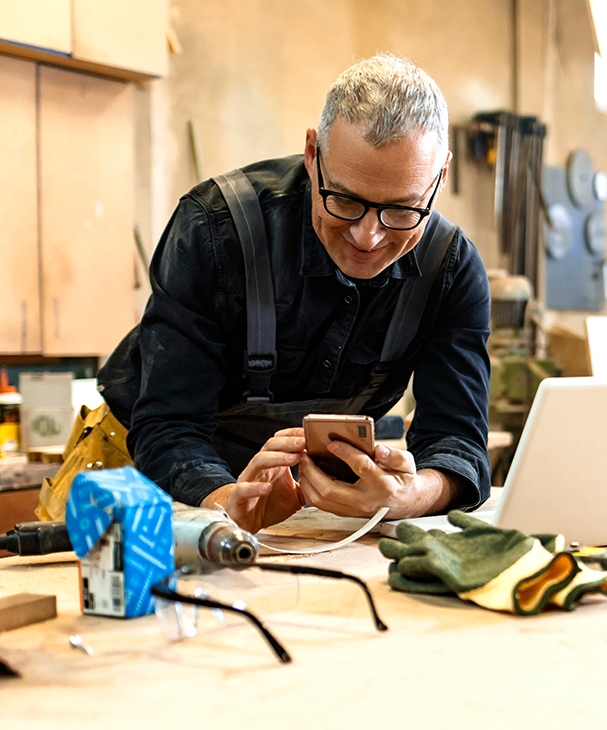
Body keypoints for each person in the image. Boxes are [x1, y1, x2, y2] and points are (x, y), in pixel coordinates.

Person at [95, 53, 491, 534]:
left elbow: (457, 440)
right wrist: (227, 503)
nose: (368, 237)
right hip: (141, 480)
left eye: (403, 210)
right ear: (312, 154)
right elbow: (168, 426)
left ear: (440, 177)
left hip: (295, 510)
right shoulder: (214, 231)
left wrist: (412, 496)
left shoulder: (449, 269)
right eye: (343, 200)